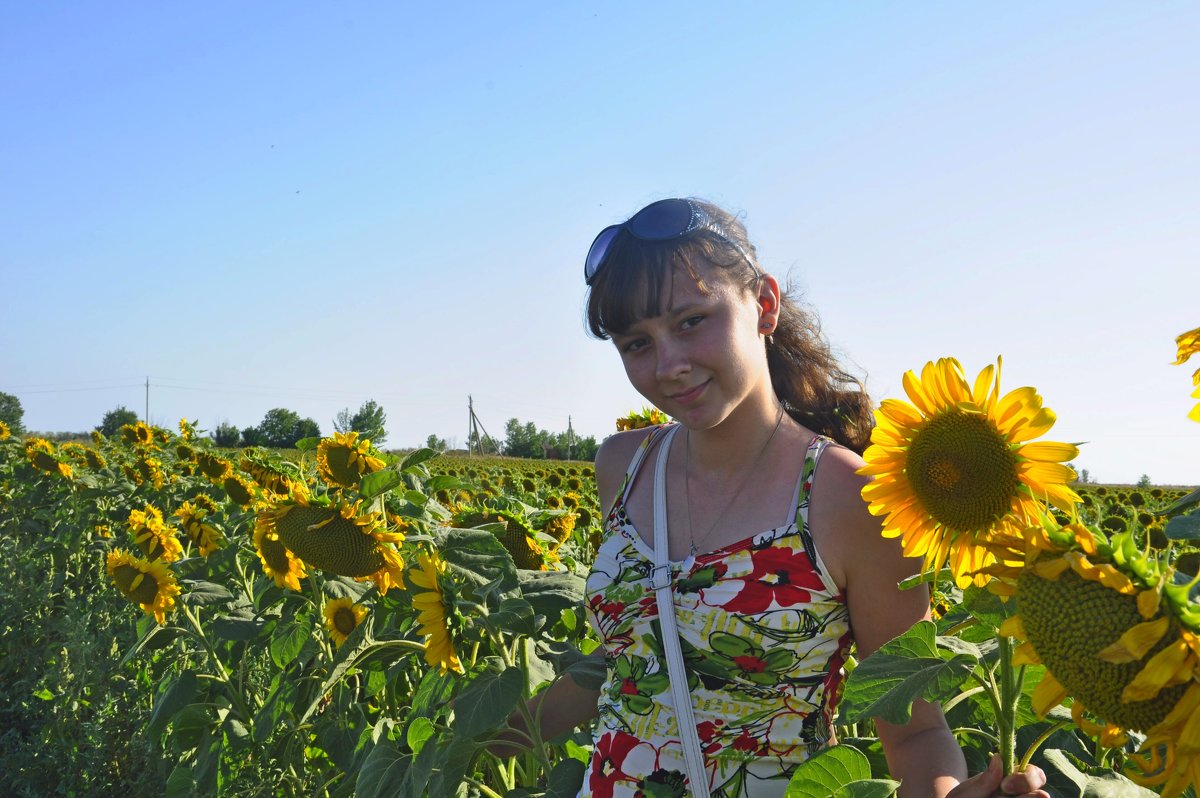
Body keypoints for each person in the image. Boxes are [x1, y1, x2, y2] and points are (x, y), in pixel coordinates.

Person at [503, 198, 1049, 798]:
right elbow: (635, 661)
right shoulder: (624, 466)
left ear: (763, 305)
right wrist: (473, 738)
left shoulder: (848, 496)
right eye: (637, 343)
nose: (670, 365)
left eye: (691, 322)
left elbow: (915, 729)